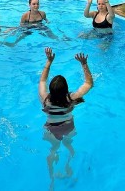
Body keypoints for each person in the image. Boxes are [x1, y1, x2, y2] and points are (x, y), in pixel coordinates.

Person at [39, 47, 93, 183]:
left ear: (51, 90)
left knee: (53, 150)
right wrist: (84, 64)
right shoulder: (71, 99)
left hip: (51, 130)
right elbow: (88, 83)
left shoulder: (45, 99)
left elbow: (42, 82)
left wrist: (49, 62)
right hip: (69, 128)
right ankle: (69, 166)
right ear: (66, 89)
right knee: (69, 145)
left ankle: (51, 180)